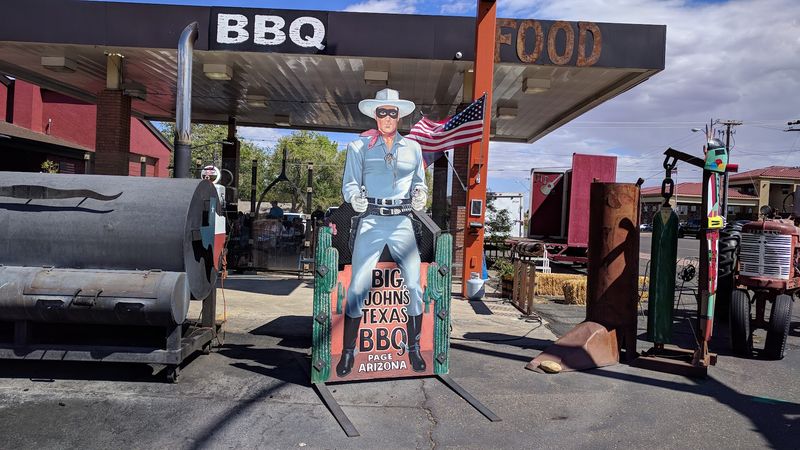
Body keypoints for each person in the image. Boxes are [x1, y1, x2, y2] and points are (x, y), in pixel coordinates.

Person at [337, 88, 427, 378]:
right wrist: (354, 198)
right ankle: (348, 351)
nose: (387, 117)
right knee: (358, 285)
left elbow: (419, 181)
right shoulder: (359, 147)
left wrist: (421, 193)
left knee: (414, 285)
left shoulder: (413, 148)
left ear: (399, 116)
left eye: (392, 112)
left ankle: (413, 348)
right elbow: (350, 183)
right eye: (382, 112)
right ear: (374, 115)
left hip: (402, 219)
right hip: (372, 218)